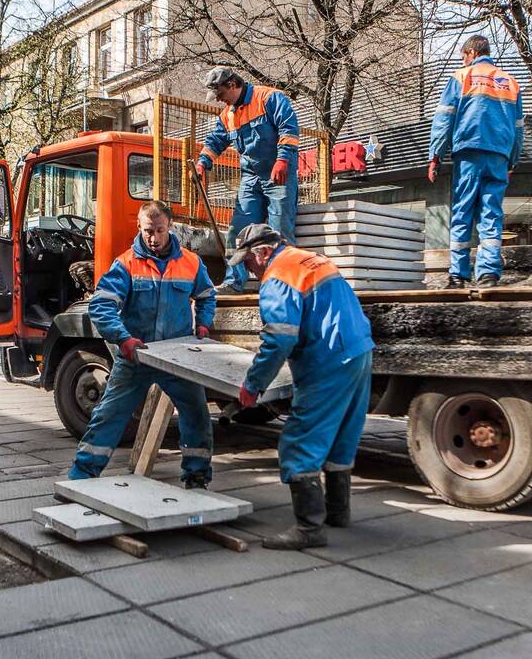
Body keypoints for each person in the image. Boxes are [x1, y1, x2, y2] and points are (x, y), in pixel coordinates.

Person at [233, 224, 375, 550]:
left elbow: (280, 337)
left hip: (327, 360)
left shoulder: (278, 275)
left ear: (264, 252)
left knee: (299, 441)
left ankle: (309, 529)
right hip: (358, 351)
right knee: (341, 436)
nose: (248, 269)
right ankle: (338, 513)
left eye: (248, 261)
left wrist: (253, 386)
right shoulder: (311, 260)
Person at [68, 201, 218, 488]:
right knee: (110, 414)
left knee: (197, 413)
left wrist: (203, 323)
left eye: (160, 230)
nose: (154, 238)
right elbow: (101, 306)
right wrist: (122, 338)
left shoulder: (191, 262)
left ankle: (197, 476)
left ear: (169, 228)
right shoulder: (125, 264)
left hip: (177, 357)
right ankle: (82, 476)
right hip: (137, 356)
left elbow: (207, 295)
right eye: (148, 231)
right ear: (139, 227)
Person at [428, 35, 524, 289]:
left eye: (463, 56)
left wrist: (435, 155)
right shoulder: (511, 83)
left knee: (463, 211)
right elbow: (518, 127)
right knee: (491, 213)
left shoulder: (461, 76)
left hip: (469, 151)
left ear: (471, 52)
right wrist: (512, 160)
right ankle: (489, 273)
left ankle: (458, 274)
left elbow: (444, 119)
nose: (463, 60)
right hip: (499, 156)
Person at [195, 67, 300, 295]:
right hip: (251, 178)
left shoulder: (270, 98)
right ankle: (234, 281)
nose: (220, 100)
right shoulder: (228, 115)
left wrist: (283, 160)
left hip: (277, 172)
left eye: (220, 93)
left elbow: (289, 129)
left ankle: (282, 282)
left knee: (279, 229)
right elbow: (215, 141)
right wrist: (203, 161)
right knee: (237, 231)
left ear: (232, 84)